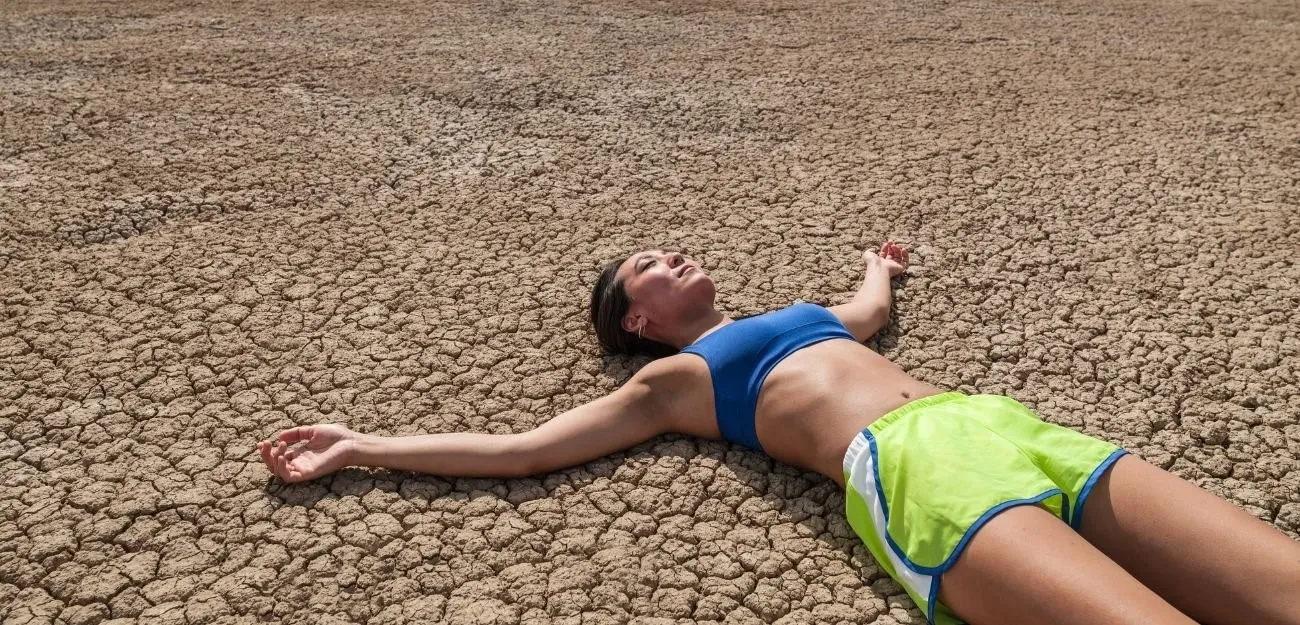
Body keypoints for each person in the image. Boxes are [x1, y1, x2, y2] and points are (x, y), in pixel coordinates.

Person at [257, 243, 1300, 625]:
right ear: (637, 319)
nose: (676, 252)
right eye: (651, 264)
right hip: (917, 470)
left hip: (1006, 427)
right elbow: (526, 445)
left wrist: (880, 264)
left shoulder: (799, 316)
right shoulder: (678, 379)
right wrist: (365, 442)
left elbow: (867, 314)